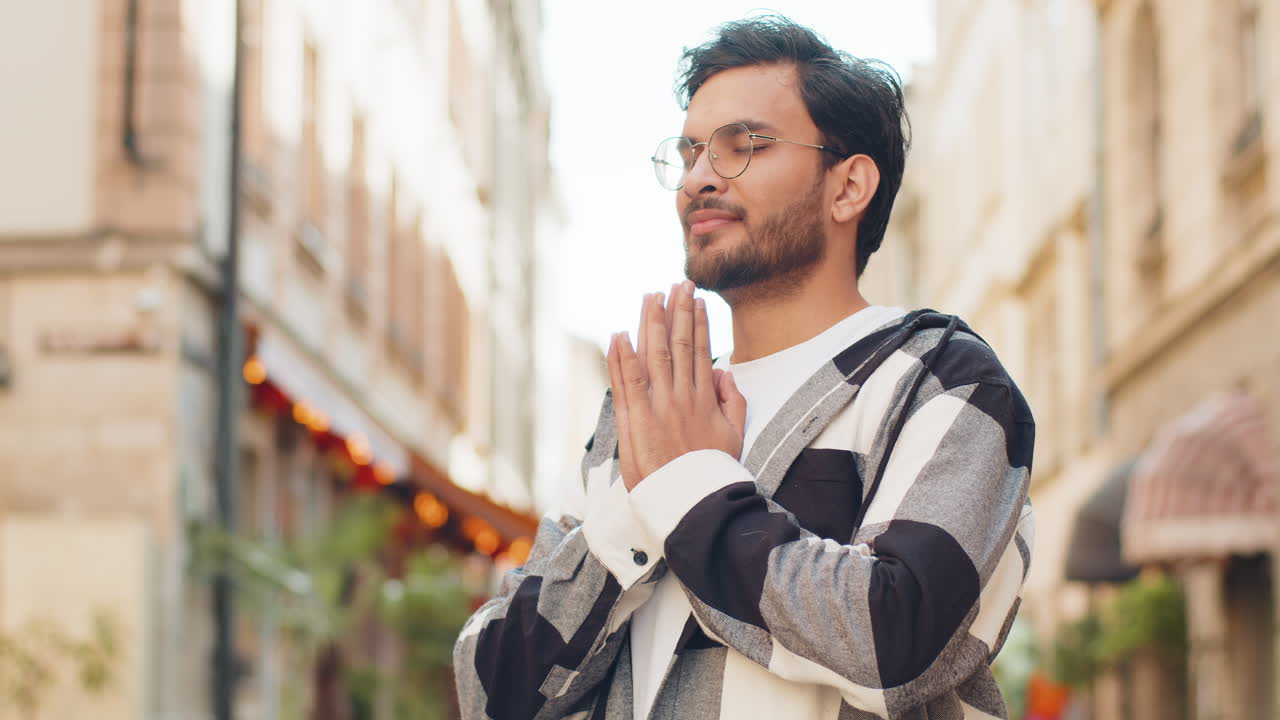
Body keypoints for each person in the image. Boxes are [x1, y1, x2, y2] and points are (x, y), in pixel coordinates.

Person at [454, 15, 1035, 720]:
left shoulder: (941, 379)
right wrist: (631, 520)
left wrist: (685, 483)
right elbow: (492, 692)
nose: (699, 178)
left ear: (848, 187)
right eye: (691, 151)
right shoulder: (651, 406)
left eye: (743, 146)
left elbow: (893, 643)